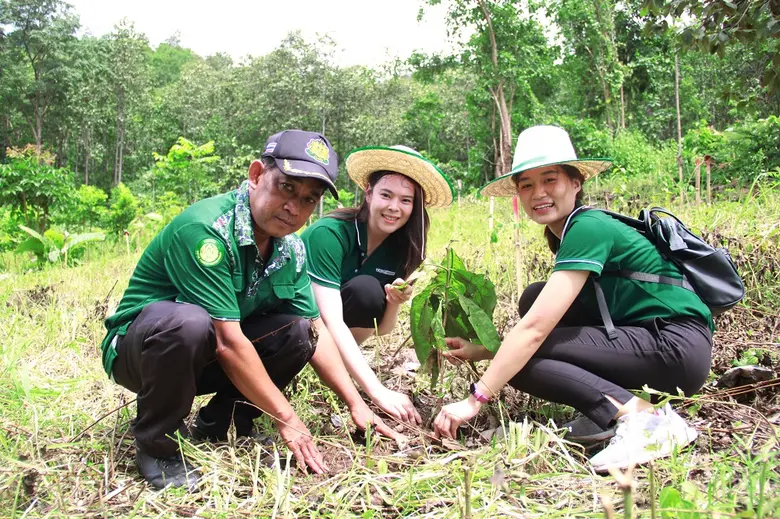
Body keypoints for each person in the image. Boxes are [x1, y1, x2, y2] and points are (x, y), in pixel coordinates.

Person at [100, 130, 398, 490]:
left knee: (299, 333)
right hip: (142, 354)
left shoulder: (291, 249)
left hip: (205, 356)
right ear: (256, 175)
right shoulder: (206, 231)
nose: (295, 208)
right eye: (287, 188)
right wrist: (287, 418)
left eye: (309, 199)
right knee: (189, 323)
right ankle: (158, 446)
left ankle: (219, 422)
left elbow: (315, 330)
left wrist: (355, 402)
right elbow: (227, 341)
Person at [432, 125, 711, 472]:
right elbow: (544, 320)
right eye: (527, 185)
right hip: (656, 341)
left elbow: (536, 331)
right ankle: (606, 413)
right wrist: (484, 350)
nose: (539, 193)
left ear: (575, 183)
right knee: (534, 298)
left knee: (520, 361)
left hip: (674, 346)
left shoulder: (588, 227)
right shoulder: (569, 232)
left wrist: (475, 398)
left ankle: (648, 421)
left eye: (550, 180)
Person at [301, 145, 454, 425]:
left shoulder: (402, 249)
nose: (394, 207)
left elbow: (381, 328)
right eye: (386, 195)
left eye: (406, 200)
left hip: (334, 333)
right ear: (369, 194)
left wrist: (394, 304)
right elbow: (330, 319)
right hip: (296, 325)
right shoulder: (328, 235)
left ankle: (338, 365)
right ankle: (326, 366)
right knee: (363, 290)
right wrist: (375, 390)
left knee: (368, 291)